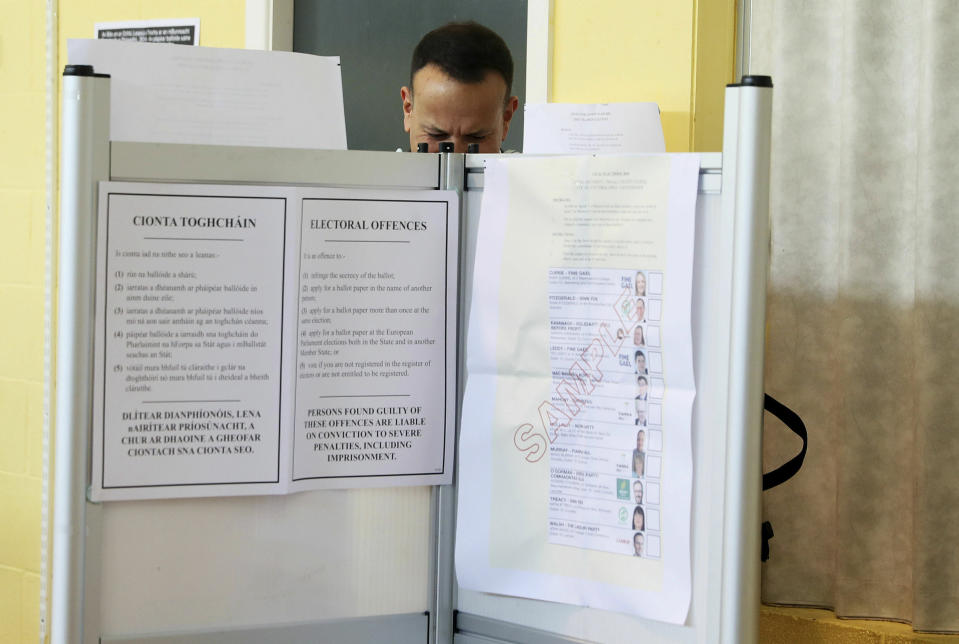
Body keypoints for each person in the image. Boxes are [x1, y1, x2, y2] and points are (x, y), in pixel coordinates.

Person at [400, 22, 519, 153]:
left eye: (475, 137)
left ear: (506, 118)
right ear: (408, 109)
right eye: (436, 135)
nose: (454, 154)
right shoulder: (376, 173)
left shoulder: (535, 173)